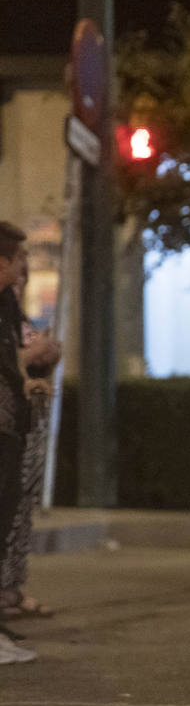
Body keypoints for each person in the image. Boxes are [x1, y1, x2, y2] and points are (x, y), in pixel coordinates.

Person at [1, 258, 60, 624]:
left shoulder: (15, 316)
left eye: (23, 277)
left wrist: (47, 357)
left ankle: (11, 588)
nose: (18, 284)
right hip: (7, 424)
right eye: (15, 274)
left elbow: (24, 360)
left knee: (18, 511)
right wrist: (29, 358)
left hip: (21, 424)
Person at [0, 221, 45, 664]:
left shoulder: (8, 305)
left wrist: (28, 378)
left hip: (11, 426)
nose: (22, 270)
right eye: (18, 261)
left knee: (7, 518)